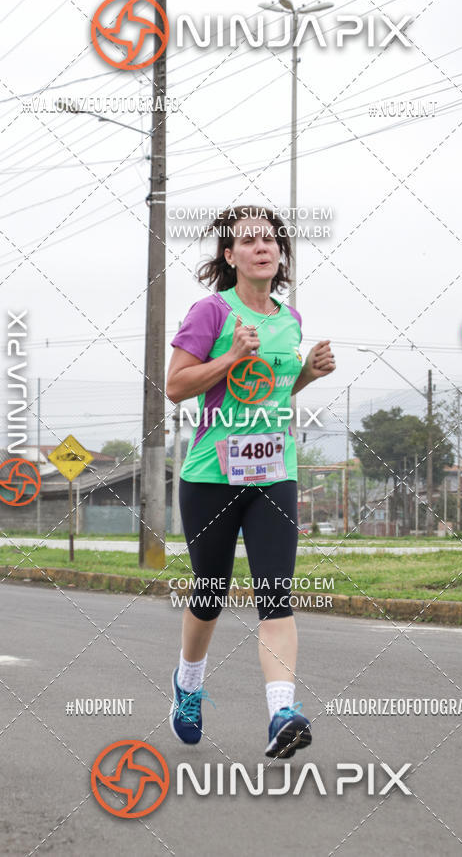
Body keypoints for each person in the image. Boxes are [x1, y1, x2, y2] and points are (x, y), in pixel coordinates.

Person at [166, 204, 335, 757]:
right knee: (210, 593)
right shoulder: (212, 312)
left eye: (271, 240)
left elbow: (271, 392)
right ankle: (188, 685)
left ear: (280, 255)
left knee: (275, 594)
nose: (263, 247)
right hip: (211, 476)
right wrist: (232, 355)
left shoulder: (290, 320)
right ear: (230, 255)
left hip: (272, 474)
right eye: (250, 240)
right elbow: (176, 386)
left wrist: (305, 374)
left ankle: (282, 712)